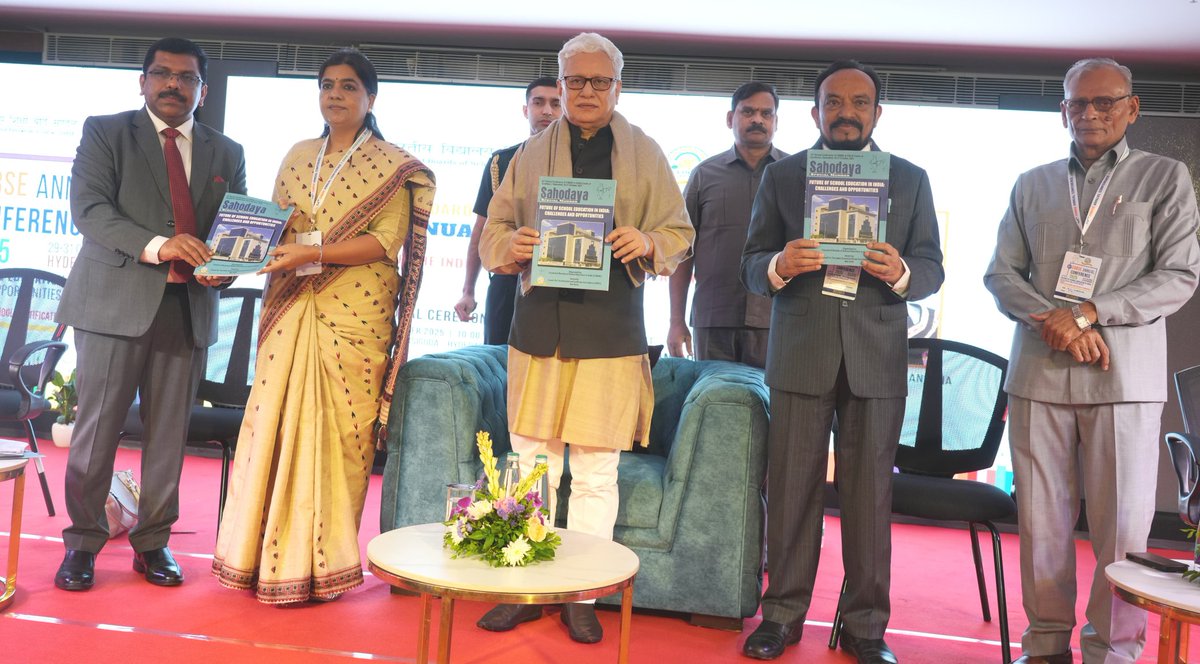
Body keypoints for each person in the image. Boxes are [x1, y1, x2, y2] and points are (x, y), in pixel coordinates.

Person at [476, 32, 693, 643]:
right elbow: (494, 230)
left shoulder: (646, 152)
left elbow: (679, 233)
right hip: (539, 328)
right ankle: (522, 583)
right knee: (530, 464)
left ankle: (583, 594)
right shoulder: (529, 153)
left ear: (618, 87)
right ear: (561, 84)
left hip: (611, 330)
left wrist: (647, 241)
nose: (587, 92)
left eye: (600, 81)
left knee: (597, 473)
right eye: (576, 81)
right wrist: (513, 244)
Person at [984, 58, 1200, 664]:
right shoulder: (1032, 183)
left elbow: (1179, 276)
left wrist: (1087, 312)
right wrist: (1055, 323)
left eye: (1105, 102)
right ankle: (1046, 647)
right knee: (1041, 525)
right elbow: (1001, 275)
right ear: (1063, 112)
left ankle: (1114, 652)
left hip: (1122, 378)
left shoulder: (1165, 177)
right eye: (1078, 103)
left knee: (1122, 529)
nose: (1091, 113)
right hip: (1039, 375)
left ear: (1132, 108)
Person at [211, 48, 436, 604]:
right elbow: (272, 223)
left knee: (341, 436)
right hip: (291, 304)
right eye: (327, 85)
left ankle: (323, 566)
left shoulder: (394, 165)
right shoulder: (298, 154)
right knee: (272, 424)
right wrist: (229, 256)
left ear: (370, 98)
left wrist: (311, 252)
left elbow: (385, 242)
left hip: (354, 311)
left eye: (348, 86)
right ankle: (256, 559)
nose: (335, 94)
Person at [740, 60, 944, 663]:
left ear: (878, 113)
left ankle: (865, 628)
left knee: (869, 497)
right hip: (801, 353)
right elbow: (750, 264)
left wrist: (901, 273)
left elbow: (931, 267)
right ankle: (781, 616)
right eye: (834, 102)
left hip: (876, 356)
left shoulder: (910, 179)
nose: (846, 113)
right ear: (815, 112)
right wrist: (780, 264)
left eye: (859, 103)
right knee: (791, 490)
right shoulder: (783, 176)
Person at [54, 37, 247, 592]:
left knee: (168, 436)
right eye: (162, 74)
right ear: (142, 82)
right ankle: (83, 542)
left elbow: (236, 227)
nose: (173, 85)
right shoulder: (106, 131)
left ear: (203, 92)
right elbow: (90, 211)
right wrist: (161, 246)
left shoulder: (227, 151)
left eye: (187, 78)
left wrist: (227, 267)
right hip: (112, 305)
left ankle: (154, 543)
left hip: (187, 309)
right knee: (96, 432)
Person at [667, 82, 786, 369]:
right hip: (714, 317)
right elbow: (683, 251)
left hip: (777, 318)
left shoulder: (793, 174)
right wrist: (676, 320)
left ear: (776, 121)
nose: (757, 119)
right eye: (748, 112)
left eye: (766, 113)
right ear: (730, 118)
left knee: (773, 398)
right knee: (711, 395)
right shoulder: (704, 175)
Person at [454, 77, 562, 343]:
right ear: (526, 110)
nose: (547, 111)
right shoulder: (501, 162)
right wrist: (468, 290)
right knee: (500, 360)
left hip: (562, 283)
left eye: (555, 104)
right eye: (538, 103)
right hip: (507, 278)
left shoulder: (584, 163)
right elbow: (482, 230)